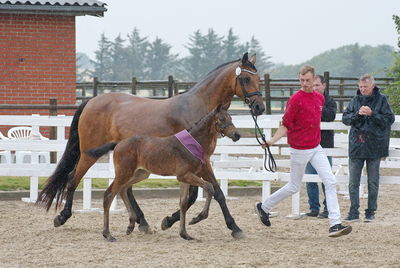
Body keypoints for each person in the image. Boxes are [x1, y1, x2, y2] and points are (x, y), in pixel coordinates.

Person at [255, 65, 352, 238]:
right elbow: (285, 124)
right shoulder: (295, 100)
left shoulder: (319, 98)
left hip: (316, 147)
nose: (305, 83)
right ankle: (264, 206)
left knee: (330, 181)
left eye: (308, 80)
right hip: (299, 149)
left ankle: (335, 223)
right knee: (293, 186)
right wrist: (271, 141)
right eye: (301, 80)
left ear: (314, 79)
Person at [342, 74, 394, 222]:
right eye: (360, 86)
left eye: (365, 86)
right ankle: (353, 212)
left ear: (372, 86)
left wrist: (372, 114)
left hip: (375, 146)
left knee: (373, 182)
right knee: (353, 182)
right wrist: (358, 114)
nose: (363, 89)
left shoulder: (382, 100)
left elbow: (389, 119)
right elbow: (346, 119)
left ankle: (370, 212)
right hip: (356, 145)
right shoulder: (355, 100)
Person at [305, 75, 337, 219]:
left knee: (326, 178)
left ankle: (328, 208)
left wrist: (317, 108)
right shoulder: (308, 99)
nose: (315, 88)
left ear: (324, 85)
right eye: (314, 85)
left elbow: (330, 115)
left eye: (318, 85)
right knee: (310, 176)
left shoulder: (330, 101)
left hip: (325, 144)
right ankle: (313, 207)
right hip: (309, 143)